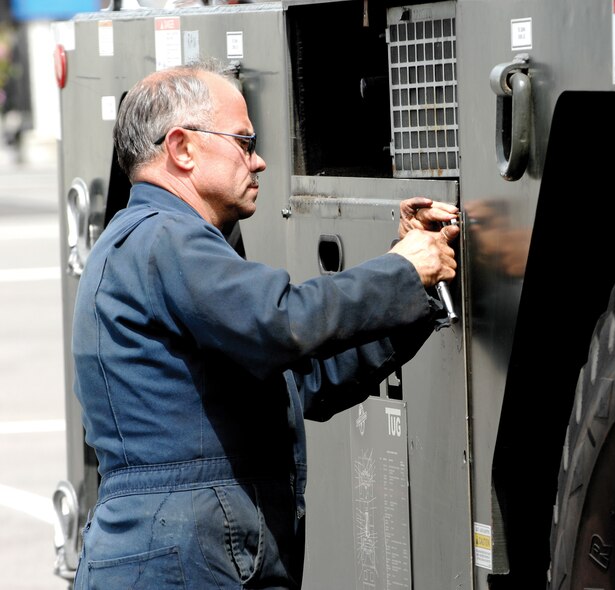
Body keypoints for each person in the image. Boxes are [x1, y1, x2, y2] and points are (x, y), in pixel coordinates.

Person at [71, 59, 459, 589]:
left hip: (171, 548)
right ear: (182, 148)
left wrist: (411, 283)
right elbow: (285, 322)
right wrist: (402, 270)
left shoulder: (155, 243)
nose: (260, 162)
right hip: (179, 556)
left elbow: (301, 383)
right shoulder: (164, 238)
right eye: (244, 142)